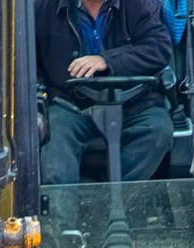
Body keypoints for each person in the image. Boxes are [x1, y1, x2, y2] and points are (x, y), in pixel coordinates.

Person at [35, 0, 173, 186]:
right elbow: (28, 63)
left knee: (158, 129)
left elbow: (159, 49)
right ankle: (63, 212)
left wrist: (107, 60)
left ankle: (108, 202)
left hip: (133, 104)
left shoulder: (139, 4)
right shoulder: (42, 8)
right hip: (71, 106)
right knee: (53, 137)